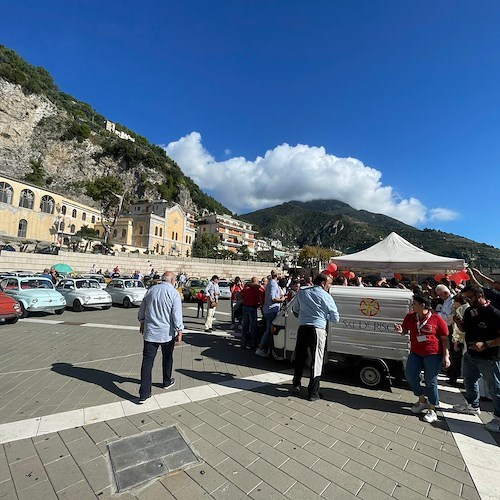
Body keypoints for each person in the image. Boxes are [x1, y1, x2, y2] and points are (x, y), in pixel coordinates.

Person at [395, 294, 450, 423]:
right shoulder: (410, 317)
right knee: (410, 375)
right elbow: (405, 330)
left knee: (430, 381)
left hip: (433, 354)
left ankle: (432, 408)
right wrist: (400, 331)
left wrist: (446, 356)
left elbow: (445, 339)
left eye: (414, 303)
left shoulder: (437, 319)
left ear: (422, 305)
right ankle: (422, 399)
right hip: (416, 352)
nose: (412, 305)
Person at [453, 284, 500, 432]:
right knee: (469, 380)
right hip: (471, 355)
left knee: (495, 388)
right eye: (465, 297)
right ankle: (473, 405)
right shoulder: (469, 311)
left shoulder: (494, 313)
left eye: (469, 297)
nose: (467, 300)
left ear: (479, 295)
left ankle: (498, 419)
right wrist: (459, 323)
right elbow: (465, 329)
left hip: (489, 357)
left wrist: (486, 344)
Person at [291, 273, 340, 401]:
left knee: (300, 356)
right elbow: (335, 317)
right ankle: (313, 392)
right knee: (316, 360)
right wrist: (325, 316)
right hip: (317, 329)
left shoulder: (302, 292)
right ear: (323, 283)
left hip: (303, 328)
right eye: (329, 283)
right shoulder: (326, 296)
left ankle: (296, 383)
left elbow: (295, 310)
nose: (329, 286)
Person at [137, 271, 183, 403]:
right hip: (166, 333)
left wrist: (142, 321)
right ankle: (166, 381)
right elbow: (176, 314)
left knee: (147, 361)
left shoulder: (151, 290)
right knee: (167, 357)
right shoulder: (173, 293)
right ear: (173, 280)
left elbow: (143, 308)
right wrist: (180, 330)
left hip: (150, 332)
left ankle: (144, 393)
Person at [256, 270, 285, 357]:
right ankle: (261, 348)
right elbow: (272, 298)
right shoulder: (273, 284)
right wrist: (281, 299)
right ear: (277, 275)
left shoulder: (271, 283)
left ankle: (264, 348)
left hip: (269, 309)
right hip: (271, 309)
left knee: (269, 330)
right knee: (269, 330)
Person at [241, 277, 264, 349]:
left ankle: (244, 343)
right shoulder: (258, 290)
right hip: (253, 307)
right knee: (253, 326)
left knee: (245, 326)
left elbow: (241, 296)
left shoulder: (246, 289)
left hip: (245, 307)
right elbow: (263, 293)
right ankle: (253, 344)